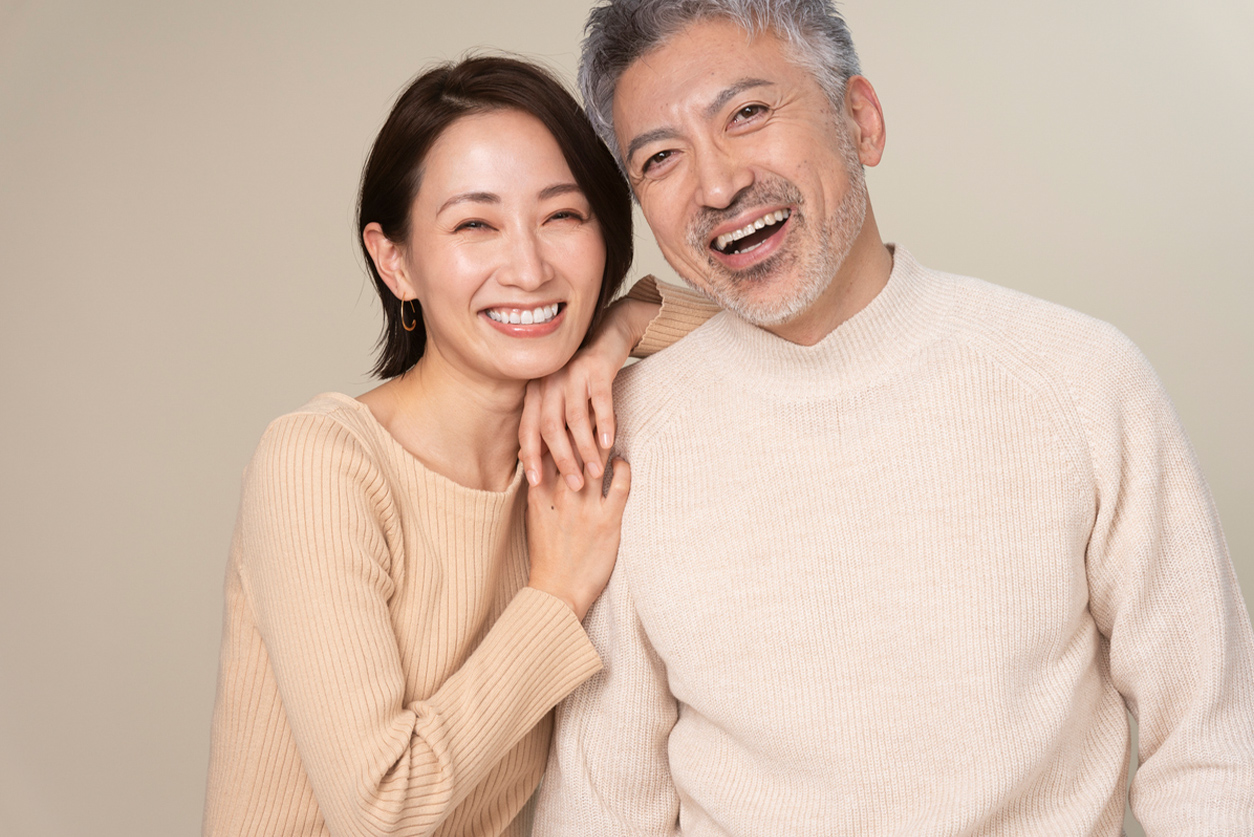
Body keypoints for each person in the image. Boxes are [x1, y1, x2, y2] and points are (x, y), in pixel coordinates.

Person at [526, 1, 1254, 834]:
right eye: (660, 158)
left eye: (749, 114)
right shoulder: (625, 442)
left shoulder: (1079, 380)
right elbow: (601, 809)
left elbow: (1214, 748)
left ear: (861, 122)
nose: (718, 184)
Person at [202, 55, 688, 837]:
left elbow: (764, 325)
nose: (529, 268)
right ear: (395, 261)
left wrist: (618, 331)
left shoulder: (566, 437)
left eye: (563, 216)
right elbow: (381, 809)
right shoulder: (321, 463)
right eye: (475, 224)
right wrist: (556, 597)